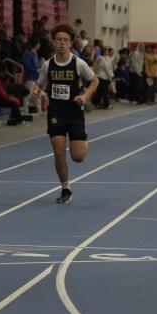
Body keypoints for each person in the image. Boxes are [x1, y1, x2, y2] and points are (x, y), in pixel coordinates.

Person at [32, 23, 98, 204]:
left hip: (75, 112)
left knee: (77, 157)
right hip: (56, 113)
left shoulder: (78, 63)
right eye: (59, 39)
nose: (62, 43)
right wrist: (36, 91)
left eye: (65, 40)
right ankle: (66, 188)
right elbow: (39, 83)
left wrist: (85, 97)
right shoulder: (48, 65)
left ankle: (83, 139)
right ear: (53, 42)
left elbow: (95, 81)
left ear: (70, 43)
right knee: (59, 152)